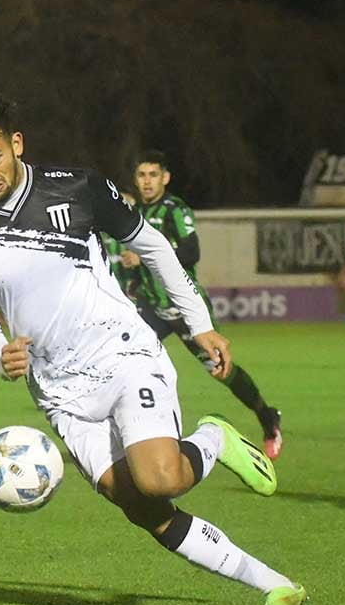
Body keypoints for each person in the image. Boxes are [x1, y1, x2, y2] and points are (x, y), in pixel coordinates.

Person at [0, 91, 306, 605]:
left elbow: (154, 246)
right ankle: (277, 587)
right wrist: (1, 357)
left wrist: (199, 325)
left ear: (15, 144)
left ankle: (213, 437)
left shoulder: (79, 187)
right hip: (60, 393)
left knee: (160, 477)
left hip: (122, 353)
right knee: (143, 507)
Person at [119, 151, 283, 459]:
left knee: (222, 369)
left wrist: (145, 256)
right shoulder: (133, 213)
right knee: (125, 361)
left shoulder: (175, 210)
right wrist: (133, 279)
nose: (147, 181)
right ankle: (139, 436)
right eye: (142, 175)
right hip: (152, 308)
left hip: (183, 308)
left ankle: (267, 416)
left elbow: (191, 252)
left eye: (153, 175)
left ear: (165, 178)